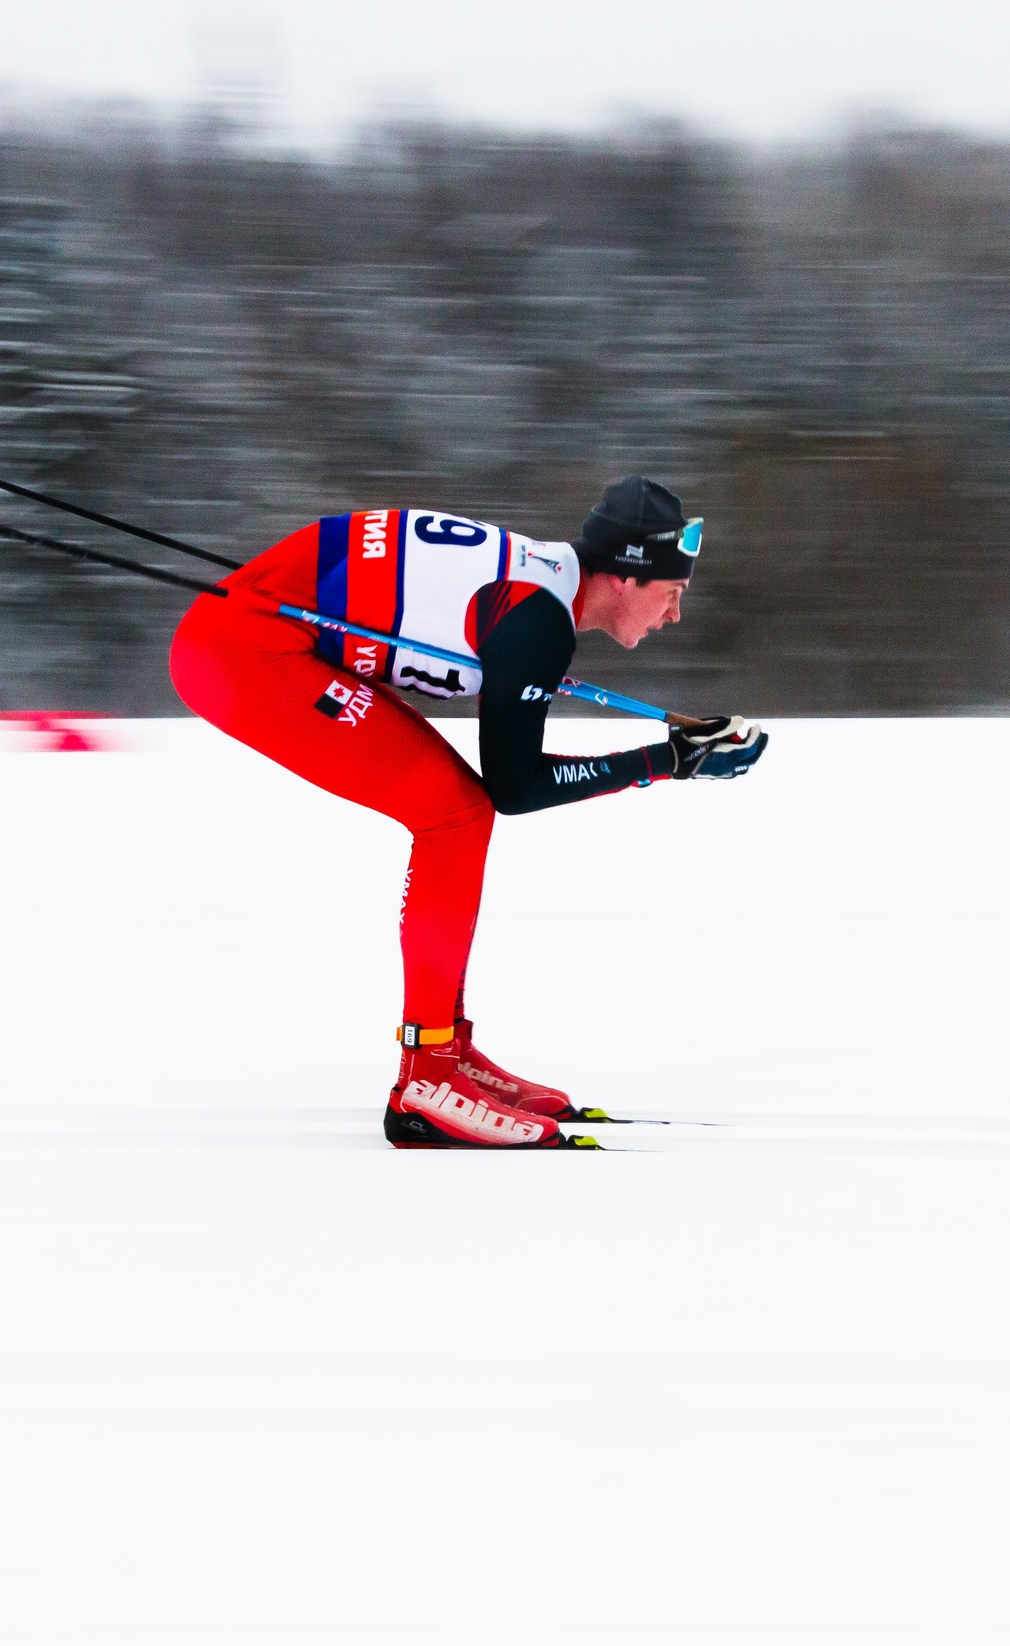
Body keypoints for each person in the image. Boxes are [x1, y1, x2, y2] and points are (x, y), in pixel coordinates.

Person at [169, 475, 767, 1149]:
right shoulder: (539, 617)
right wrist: (664, 763)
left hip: (258, 629)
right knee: (454, 814)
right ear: (627, 577)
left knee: (460, 810)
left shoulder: (543, 586)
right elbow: (515, 787)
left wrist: (667, 757)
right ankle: (426, 1077)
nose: (674, 615)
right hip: (245, 652)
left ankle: (443, 1052)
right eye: (673, 593)